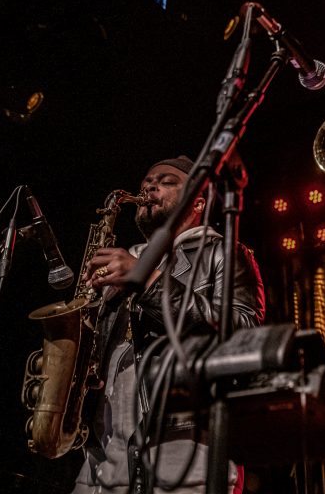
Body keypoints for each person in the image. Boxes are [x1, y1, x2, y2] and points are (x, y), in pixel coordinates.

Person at [72, 156, 265, 494]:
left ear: (198, 201)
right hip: (100, 458)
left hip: (185, 450)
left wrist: (148, 279)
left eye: (165, 181)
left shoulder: (223, 251)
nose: (148, 186)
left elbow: (243, 332)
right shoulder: (122, 258)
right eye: (146, 180)